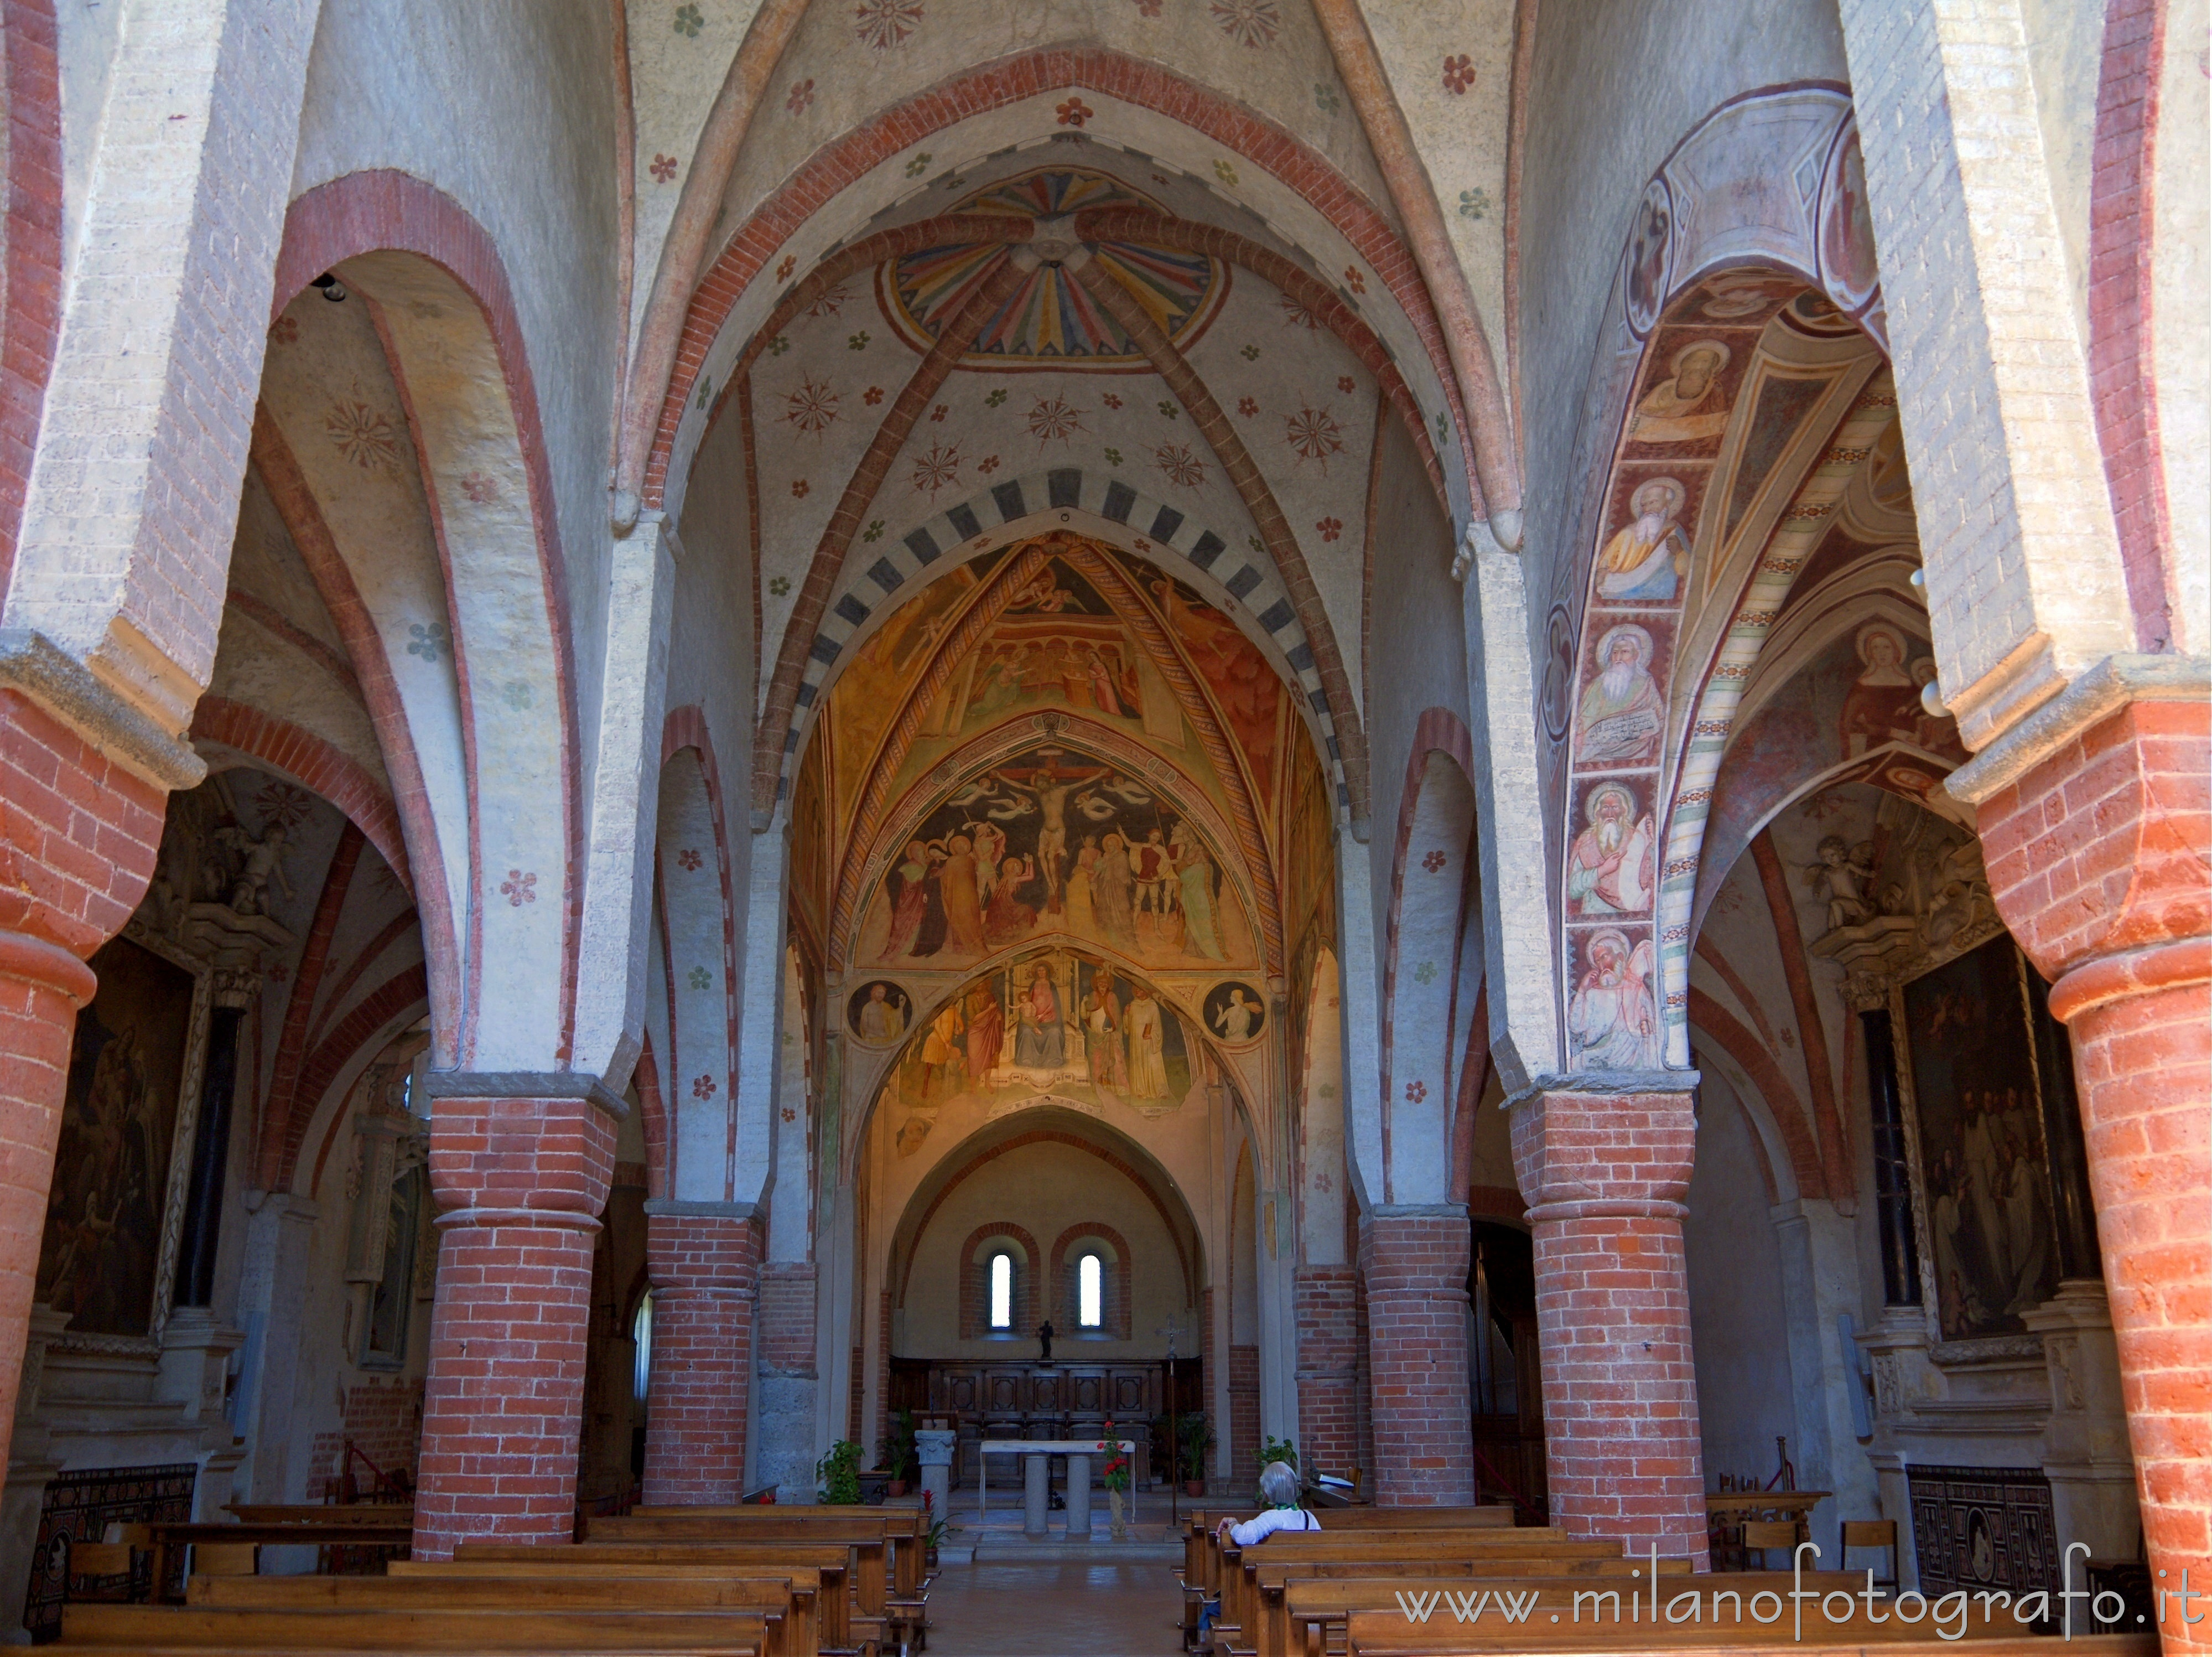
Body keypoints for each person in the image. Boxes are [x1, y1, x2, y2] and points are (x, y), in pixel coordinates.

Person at [1214, 1462, 1318, 1546]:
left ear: (1269, 1492)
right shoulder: (1309, 1517)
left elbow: (1243, 1537)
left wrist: (1233, 1523)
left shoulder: (1272, 1517)